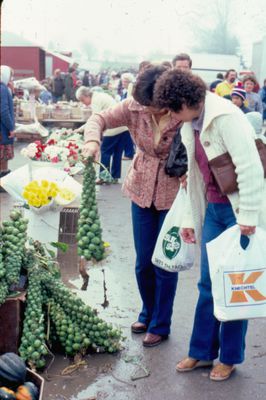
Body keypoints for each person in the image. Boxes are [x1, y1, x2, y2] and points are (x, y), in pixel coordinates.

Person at [154, 70, 266, 380]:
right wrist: (190, 218)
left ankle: (229, 357)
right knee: (207, 283)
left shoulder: (227, 117)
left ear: (188, 101)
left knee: (234, 285)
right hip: (214, 209)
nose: (174, 117)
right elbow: (195, 175)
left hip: (237, 211)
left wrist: (248, 218)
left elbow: (251, 168)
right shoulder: (191, 122)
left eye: (175, 109)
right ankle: (201, 351)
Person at [82, 65, 182, 347]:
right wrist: (92, 141)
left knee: (165, 263)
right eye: (145, 105)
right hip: (140, 188)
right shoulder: (134, 106)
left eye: (154, 106)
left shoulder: (182, 110)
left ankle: (161, 324)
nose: (148, 111)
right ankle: (147, 312)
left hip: (173, 194)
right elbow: (99, 118)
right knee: (143, 262)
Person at [76, 86, 127, 184]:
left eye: (82, 100)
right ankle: (115, 177)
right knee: (117, 153)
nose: (83, 103)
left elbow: (95, 120)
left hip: (112, 129)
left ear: (87, 96)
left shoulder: (96, 100)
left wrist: (82, 129)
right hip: (123, 127)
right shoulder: (100, 95)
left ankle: (103, 177)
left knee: (105, 152)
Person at [0, 65, 15, 190]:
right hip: (2, 129)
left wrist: (12, 91)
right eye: (10, 76)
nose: (11, 79)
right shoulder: (2, 89)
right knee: (3, 155)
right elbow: (4, 111)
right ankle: (2, 182)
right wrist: (11, 127)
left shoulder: (4, 88)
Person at [120, 72, 135, 160]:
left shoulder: (131, 90)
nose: (123, 83)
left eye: (125, 81)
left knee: (127, 134)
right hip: (125, 114)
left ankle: (129, 153)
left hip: (129, 114)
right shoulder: (125, 91)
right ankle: (129, 152)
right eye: (122, 81)